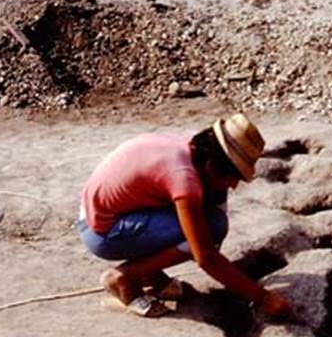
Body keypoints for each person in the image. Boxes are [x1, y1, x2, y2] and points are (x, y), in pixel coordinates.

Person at [78, 112, 295, 319]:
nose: (234, 185)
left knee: (212, 221)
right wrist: (263, 298)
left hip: (113, 211)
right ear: (212, 165)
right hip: (102, 232)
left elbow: (215, 214)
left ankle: (152, 275)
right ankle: (124, 279)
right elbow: (206, 256)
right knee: (212, 228)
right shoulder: (183, 178)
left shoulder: (192, 151)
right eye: (233, 176)